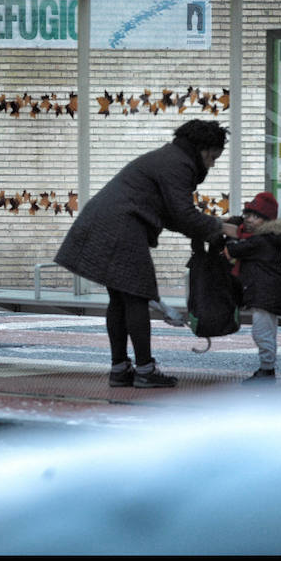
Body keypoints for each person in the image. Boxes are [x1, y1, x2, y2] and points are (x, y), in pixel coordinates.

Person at [54, 120, 239, 388]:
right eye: (212, 157)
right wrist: (220, 227)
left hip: (106, 222)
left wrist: (211, 228)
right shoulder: (179, 164)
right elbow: (184, 215)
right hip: (121, 227)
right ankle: (145, 370)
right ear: (200, 149)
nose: (211, 164)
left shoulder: (169, 158)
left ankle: (120, 369)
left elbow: (173, 215)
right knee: (137, 296)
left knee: (120, 299)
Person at [222, 192, 281, 385]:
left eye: (256, 216)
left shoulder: (261, 241)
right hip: (268, 292)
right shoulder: (269, 238)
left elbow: (231, 251)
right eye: (248, 215)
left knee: (262, 333)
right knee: (267, 332)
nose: (250, 220)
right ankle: (267, 369)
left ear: (267, 220)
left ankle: (267, 371)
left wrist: (231, 233)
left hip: (265, 294)